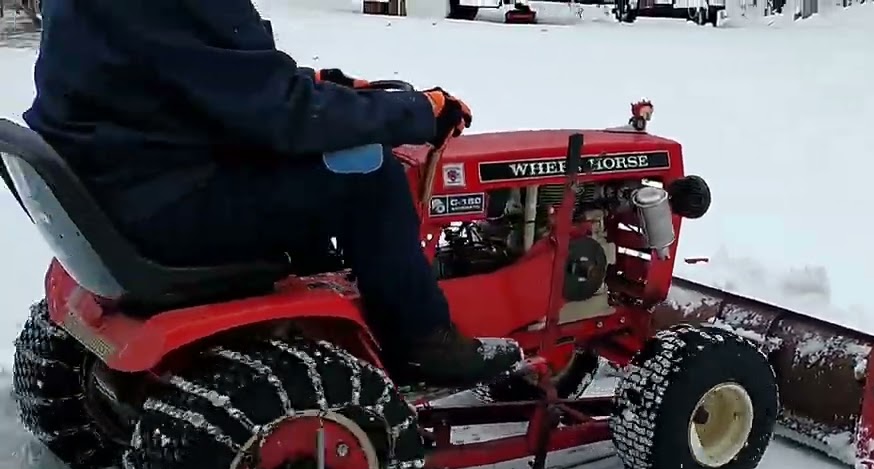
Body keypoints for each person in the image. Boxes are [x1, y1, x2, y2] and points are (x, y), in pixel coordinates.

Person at [21, 0, 523, 388]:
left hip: (117, 182)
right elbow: (283, 116)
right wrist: (419, 113)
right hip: (162, 205)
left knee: (318, 165)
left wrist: (328, 86)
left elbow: (202, 76)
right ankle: (424, 341)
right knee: (371, 174)